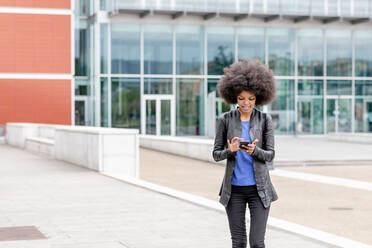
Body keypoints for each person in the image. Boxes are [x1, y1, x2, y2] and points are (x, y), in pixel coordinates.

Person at [212, 59, 278, 248]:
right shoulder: (225, 120)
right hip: (234, 191)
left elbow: (271, 154)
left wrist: (255, 151)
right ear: (234, 97)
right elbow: (216, 154)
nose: (246, 103)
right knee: (238, 243)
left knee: (257, 243)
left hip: (260, 190)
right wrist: (229, 150)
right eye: (241, 99)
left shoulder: (265, 119)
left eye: (250, 99)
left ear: (258, 97)